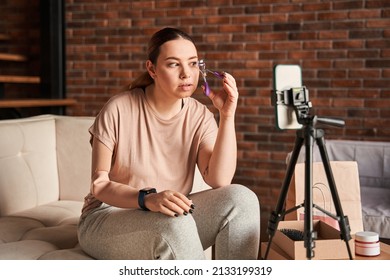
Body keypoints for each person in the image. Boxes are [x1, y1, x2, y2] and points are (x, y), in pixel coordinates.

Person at [77, 27, 260, 260]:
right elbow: (100, 185)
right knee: (176, 223)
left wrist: (226, 116)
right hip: (107, 218)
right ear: (152, 69)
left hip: (169, 216)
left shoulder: (200, 115)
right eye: (174, 64)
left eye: (193, 63)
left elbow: (219, 180)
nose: (186, 74)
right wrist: (147, 198)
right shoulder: (118, 109)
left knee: (242, 200)